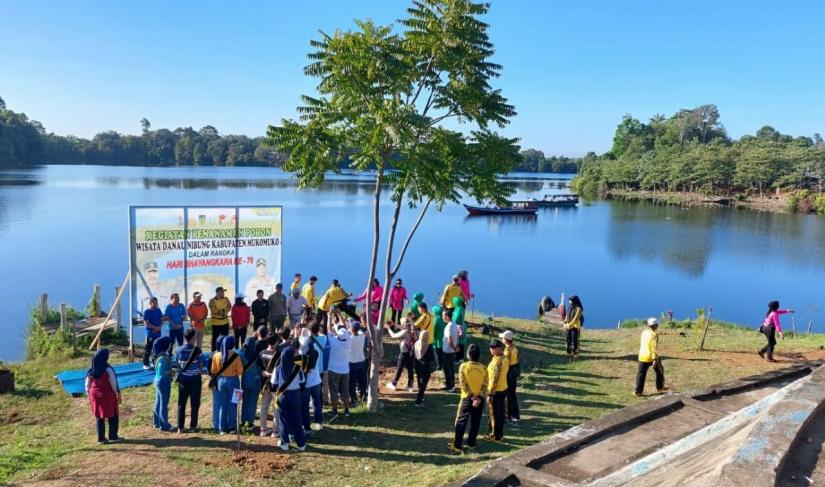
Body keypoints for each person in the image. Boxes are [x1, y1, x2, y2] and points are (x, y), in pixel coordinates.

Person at [451, 344, 487, 452]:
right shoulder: (484, 368)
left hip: (467, 398)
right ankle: (471, 443)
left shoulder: (463, 366)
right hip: (480, 398)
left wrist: (472, 397)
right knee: (475, 421)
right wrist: (478, 397)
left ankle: (457, 444)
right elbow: (485, 384)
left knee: (461, 421)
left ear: (468, 354)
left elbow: (463, 384)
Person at [85, 349, 123, 444]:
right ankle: (113, 436)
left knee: (99, 416)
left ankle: (101, 439)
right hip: (107, 394)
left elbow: (87, 384)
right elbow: (113, 383)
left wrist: (88, 394)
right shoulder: (107, 369)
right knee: (113, 415)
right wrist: (117, 393)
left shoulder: (91, 370)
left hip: (95, 395)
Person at [273, 345, 306, 451]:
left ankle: (284, 443)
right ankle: (301, 444)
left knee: (284, 420)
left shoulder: (277, 369)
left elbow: (273, 384)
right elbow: (302, 382)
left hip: (282, 396)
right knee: (297, 419)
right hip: (295, 395)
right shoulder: (297, 367)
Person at [173, 328, 206, 433]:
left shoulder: (178, 350)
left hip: (183, 380)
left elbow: (177, 364)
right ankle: (193, 426)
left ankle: (180, 427)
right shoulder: (198, 350)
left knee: (181, 403)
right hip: (195, 380)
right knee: (195, 403)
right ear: (193, 338)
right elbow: (201, 365)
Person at [210, 335, 242, 434]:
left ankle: (222, 428)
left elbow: (213, 370)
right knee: (233, 403)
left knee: (222, 405)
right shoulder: (236, 356)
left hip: (221, 381)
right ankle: (232, 426)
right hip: (234, 381)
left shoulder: (216, 355)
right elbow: (240, 371)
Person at [326, 320, 352, 416]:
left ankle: (335, 411)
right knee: (345, 391)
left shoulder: (333, 341)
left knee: (334, 391)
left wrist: (329, 318)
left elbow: (329, 330)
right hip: (345, 371)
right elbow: (345, 329)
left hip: (334, 370)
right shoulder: (349, 340)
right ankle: (346, 410)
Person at [635, 318, 666, 397]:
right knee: (660, 371)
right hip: (651, 357)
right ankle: (660, 387)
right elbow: (654, 348)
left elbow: (651, 335)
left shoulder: (644, 332)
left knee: (641, 374)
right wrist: (655, 359)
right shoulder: (654, 335)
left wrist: (658, 334)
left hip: (642, 356)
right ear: (655, 325)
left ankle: (638, 392)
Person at [298, 334, 323, 432]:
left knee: (305, 406)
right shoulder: (316, 353)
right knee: (317, 403)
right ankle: (319, 423)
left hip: (306, 384)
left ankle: (306, 426)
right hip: (316, 382)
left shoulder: (302, 355)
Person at [258, 335, 281, 437]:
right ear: (276, 342)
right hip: (275, 384)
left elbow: (259, 368)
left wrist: (264, 372)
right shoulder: (278, 354)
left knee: (264, 407)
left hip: (264, 384)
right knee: (276, 407)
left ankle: (263, 429)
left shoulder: (261, 353)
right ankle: (275, 431)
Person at [385, 316, 415, 391]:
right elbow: (403, 327)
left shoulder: (404, 332)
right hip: (411, 352)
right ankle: (410, 386)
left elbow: (393, 336)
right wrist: (394, 324)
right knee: (410, 369)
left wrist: (388, 329)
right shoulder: (413, 329)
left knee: (399, 368)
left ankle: (393, 383)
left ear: (404, 324)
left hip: (404, 352)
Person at [487, 339, 509, 441]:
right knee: (500, 413)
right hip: (503, 388)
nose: (491, 349)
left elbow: (494, 379)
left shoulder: (497, 361)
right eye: (491, 347)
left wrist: (490, 394)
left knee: (494, 414)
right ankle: (499, 434)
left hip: (496, 391)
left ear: (499, 348)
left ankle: (495, 435)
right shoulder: (504, 358)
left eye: (493, 348)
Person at [152, 336, 174, 431]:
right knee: (163, 403)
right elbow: (162, 371)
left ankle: (156, 422)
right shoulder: (163, 358)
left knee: (158, 401)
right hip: (163, 381)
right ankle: (164, 425)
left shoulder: (158, 356)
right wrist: (171, 371)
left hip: (157, 380)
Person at [240, 337, 261, 429]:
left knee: (245, 401)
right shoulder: (258, 355)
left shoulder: (242, 354)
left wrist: (242, 347)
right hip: (256, 380)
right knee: (253, 401)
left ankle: (243, 420)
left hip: (245, 380)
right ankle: (251, 422)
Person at [500, 330, 520, 422]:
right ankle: (515, 415)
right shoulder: (514, 348)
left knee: (508, 395)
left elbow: (505, 363)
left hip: (509, 373)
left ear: (506, 339)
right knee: (512, 395)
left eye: (502, 338)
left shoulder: (507, 350)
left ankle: (509, 416)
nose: (501, 339)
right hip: (514, 372)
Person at [414, 325, 434, 406]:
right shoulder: (428, 346)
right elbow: (432, 358)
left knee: (419, 380)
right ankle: (419, 400)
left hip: (417, 366)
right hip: (426, 367)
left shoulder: (416, 344)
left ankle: (421, 397)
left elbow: (412, 354)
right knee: (424, 384)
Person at [348, 321, 368, 406]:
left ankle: (353, 400)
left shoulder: (349, 339)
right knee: (362, 381)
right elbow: (361, 331)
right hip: (361, 362)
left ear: (351, 329)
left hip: (352, 363)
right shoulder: (362, 336)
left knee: (352, 383)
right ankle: (364, 398)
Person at [142, 297, 163, 370]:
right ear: (151, 303)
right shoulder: (146, 312)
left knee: (157, 348)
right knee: (148, 348)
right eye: (155, 303)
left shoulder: (159, 310)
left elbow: (162, 320)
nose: (157, 304)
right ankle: (146, 363)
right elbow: (147, 324)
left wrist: (159, 327)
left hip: (158, 334)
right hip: (150, 334)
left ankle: (155, 362)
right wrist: (155, 328)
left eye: (157, 303)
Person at [208, 287, 231, 352]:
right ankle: (214, 352)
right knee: (215, 339)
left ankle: (225, 351)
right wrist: (223, 312)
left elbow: (229, 306)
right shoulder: (212, 301)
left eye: (223, 292)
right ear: (218, 292)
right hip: (216, 323)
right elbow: (214, 310)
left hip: (225, 322)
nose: (223, 293)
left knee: (225, 338)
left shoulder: (226, 299)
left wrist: (223, 310)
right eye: (222, 292)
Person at [442, 311, 459, 391]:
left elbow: (449, 340)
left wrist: (454, 347)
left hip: (447, 351)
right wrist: (456, 347)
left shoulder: (449, 326)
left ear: (447, 317)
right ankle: (452, 385)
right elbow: (457, 334)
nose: (442, 318)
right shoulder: (454, 323)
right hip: (451, 351)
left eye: (443, 316)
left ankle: (449, 386)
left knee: (447, 369)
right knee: (451, 368)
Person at [453, 296, 468, 364]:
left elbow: (455, 319)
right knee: (461, 343)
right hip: (463, 326)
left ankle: (456, 359)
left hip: (458, 327)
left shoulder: (458, 309)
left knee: (457, 343)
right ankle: (461, 358)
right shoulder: (461, 307)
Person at [432, 304, 446, 371]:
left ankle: (439, 366)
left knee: (437, 354)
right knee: (442, 353)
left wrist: (432, 337)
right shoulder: (443, 318)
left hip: (437, 340)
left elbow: (434, 329)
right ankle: (442, 365)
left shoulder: (436, 319)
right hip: (443, 339)